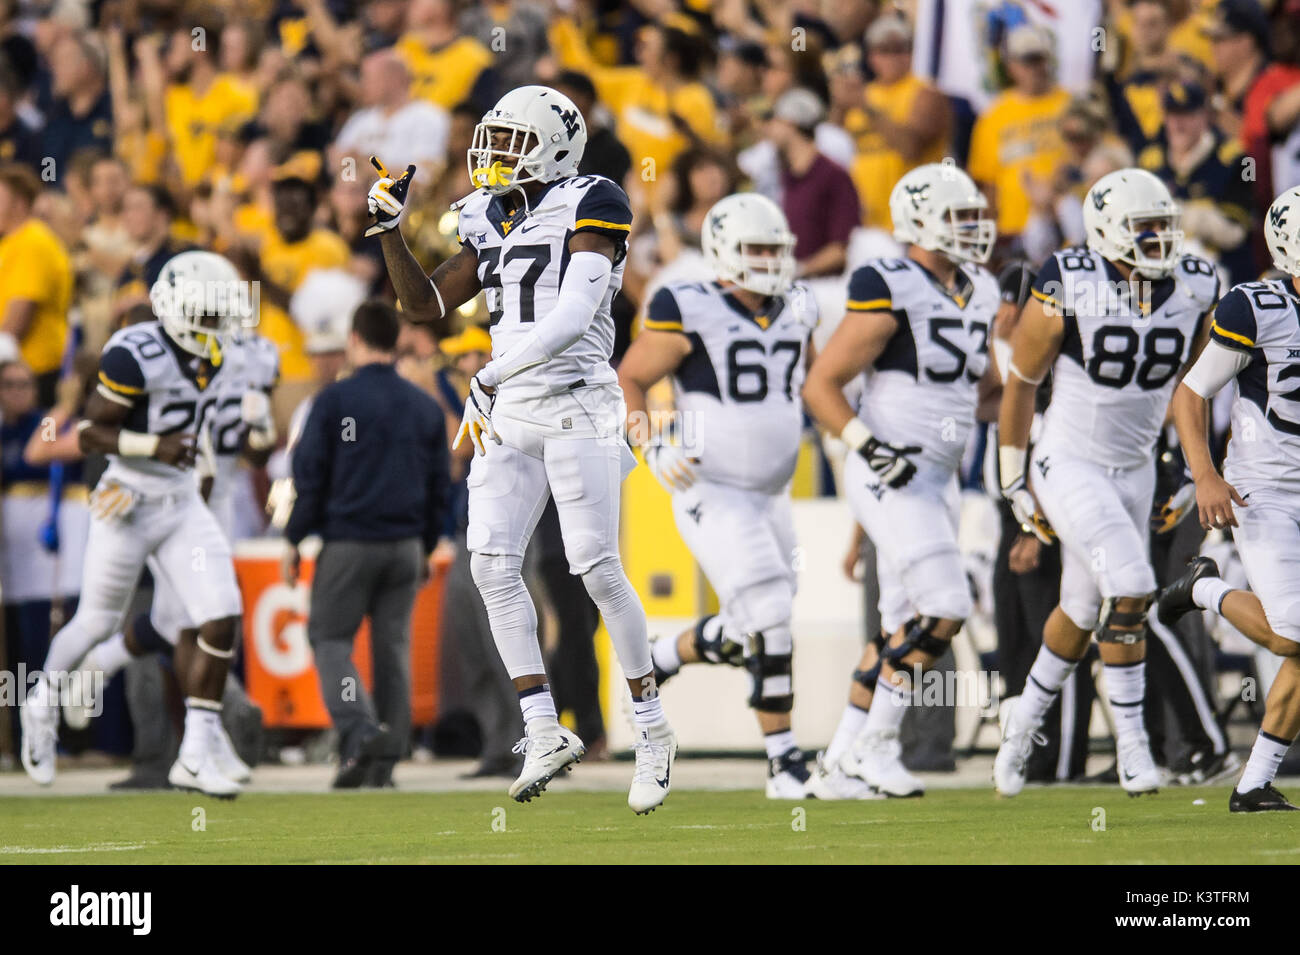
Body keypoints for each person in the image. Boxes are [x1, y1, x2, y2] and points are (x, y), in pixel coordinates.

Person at [369, 85, 677, 814]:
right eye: (493, 140)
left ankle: (652, 727)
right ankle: (543, 726)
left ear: (555, 148)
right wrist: (391, 233)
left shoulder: (593, 198)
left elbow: (573, 314)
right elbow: (427, 306)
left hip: (575, 402)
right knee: (490, 563)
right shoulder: (485, 212)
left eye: (511, 142)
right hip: (508, 407)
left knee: (596, 569)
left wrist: (491, 372)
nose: (494, 155)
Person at [993, 168, 1219, 797]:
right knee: (1132, 585)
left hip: (1139, 466)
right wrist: (1013, 476)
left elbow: (1192, 389)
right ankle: (1134, 751)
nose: (1159, 239)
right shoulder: (1070, 279)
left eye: (1165, 226)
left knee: (1081, 608)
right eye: (1145, 228)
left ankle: (1019, 732)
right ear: (1107, 231)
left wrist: (1187, 467)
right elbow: (1022, 381)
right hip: (1068, 460)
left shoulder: (1197, 284)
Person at [19, 250, 249, 798]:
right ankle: (42, 703)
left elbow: (201, 428)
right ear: (174, 306)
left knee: (221, 615)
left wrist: (201, 470)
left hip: (180, 500)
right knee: (97, 620)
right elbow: (93, 434)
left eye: (220, 311)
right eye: (207, 311)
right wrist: (156, 446)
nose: (216, 323)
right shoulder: (133, 352)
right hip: (127, 497)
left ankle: (196, 751)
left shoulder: (217, 353)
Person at [802, 163, 998, 798]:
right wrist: (869, 448)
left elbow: (986, 393)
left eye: (975, 216)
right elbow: (821, 385)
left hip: (936, 477)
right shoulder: (891, 281)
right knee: (947, 604)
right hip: (891, 467)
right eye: (959, 217)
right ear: (918, 221)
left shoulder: (982, 289)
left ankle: (835, 764)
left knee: (896, 626)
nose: (973, 228)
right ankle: (878, 745)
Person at [619, 193, 817, 799]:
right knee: (771, 617)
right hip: (713, 487)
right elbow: (631, 377)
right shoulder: (691, 302)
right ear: (726, 250)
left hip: (772, 493)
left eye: (776, 250)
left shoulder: (800, 305)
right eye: (758, 249)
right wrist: (650, 444)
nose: (770, 260)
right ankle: (785, 765)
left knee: (757, 619)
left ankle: (665, 656)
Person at [1160, 184, 1300, 811]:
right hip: (1264, 488)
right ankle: (1204, 588)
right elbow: (1191, 394)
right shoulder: (1257, 305)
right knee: (1294, 637)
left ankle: (1253, 785)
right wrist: (1205, 474)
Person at [283, 301, 449, 789]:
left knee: (331, 639)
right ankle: (386, 758)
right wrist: (425, 544)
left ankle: (358, 733)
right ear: (396, 340)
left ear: (354, 340)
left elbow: (309, 476)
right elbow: (440, 483)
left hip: (349, 542)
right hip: (404, 546)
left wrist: (295, 538)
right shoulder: (421, 405)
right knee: (391, 648)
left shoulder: (334, 403)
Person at [0, 164, 72, 406]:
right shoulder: (11, 243)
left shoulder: (33, 241)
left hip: (32, 374)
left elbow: (18, 318)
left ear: (19, 204)